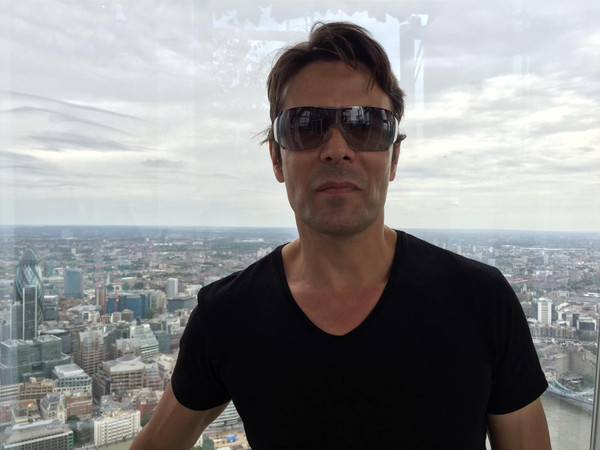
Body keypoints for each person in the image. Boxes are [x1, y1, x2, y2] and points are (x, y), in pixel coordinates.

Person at [131, 22, 551, 449]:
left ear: (393, 157)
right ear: (277, 158)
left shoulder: (481, 301)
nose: (337, 149)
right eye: (306, 125)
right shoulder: (227, 316)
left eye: (365, 125)